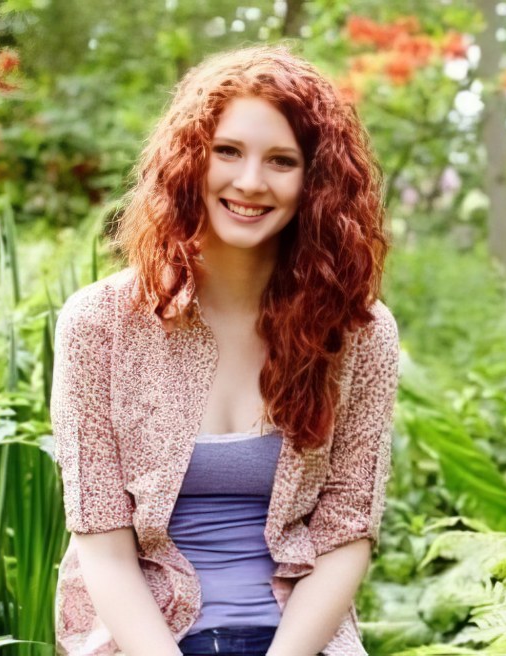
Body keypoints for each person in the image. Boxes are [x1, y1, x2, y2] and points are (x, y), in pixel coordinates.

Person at [50, 44, 400, 656]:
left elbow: (345, 532)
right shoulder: (99, 324)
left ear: (316, 182)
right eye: (228, 151)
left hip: (297, 642)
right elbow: (102, 545)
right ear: (190, 159)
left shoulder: (358, 333)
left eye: (282, 160)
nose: (250, 182)